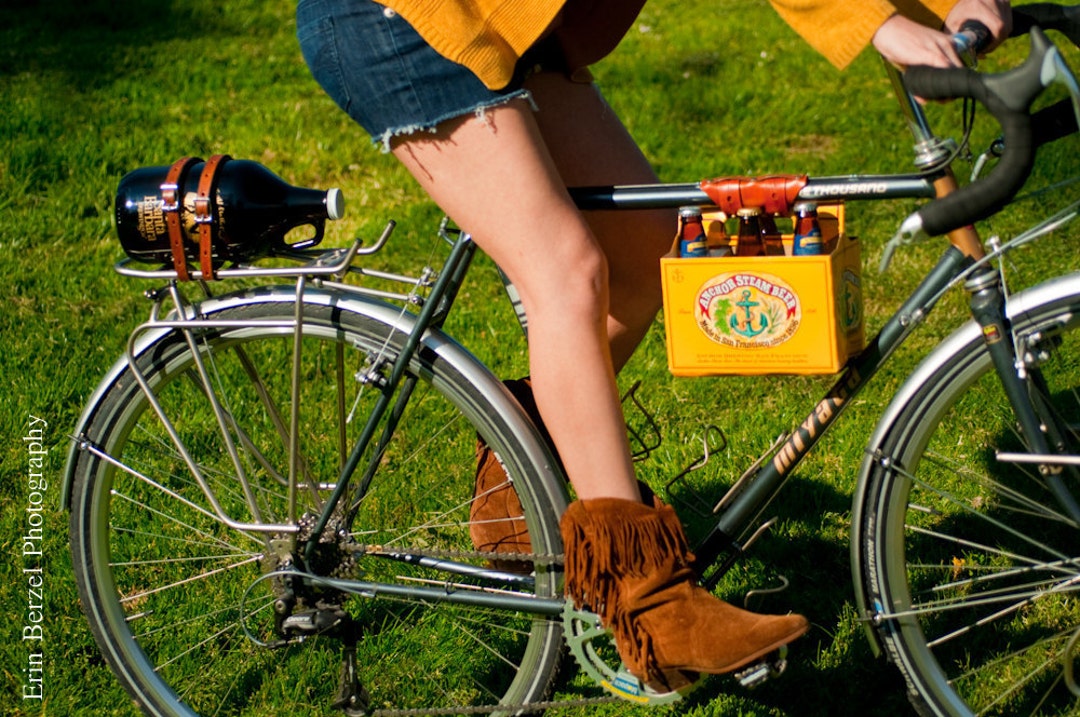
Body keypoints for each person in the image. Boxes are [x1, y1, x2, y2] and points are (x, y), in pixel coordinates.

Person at [296, 0, 1012, 692]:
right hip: (405, 19)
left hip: (509, 21)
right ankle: (652, 603)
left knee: (646, 254)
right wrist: (876, 23)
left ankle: (519, 473)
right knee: (568, 275)